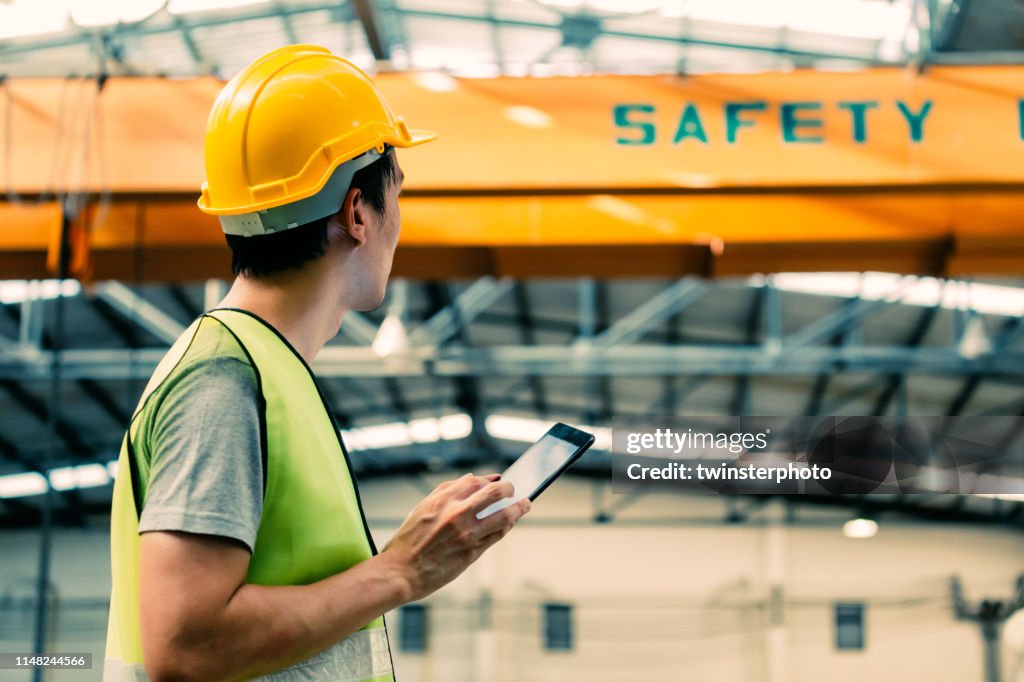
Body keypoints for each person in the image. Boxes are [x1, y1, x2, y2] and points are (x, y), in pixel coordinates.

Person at [103, 44, 530, 681]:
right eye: (398, 195)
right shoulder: (224, 379)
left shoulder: (263, 370)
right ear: (357, 212)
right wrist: (401, 571)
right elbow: (185, 647)